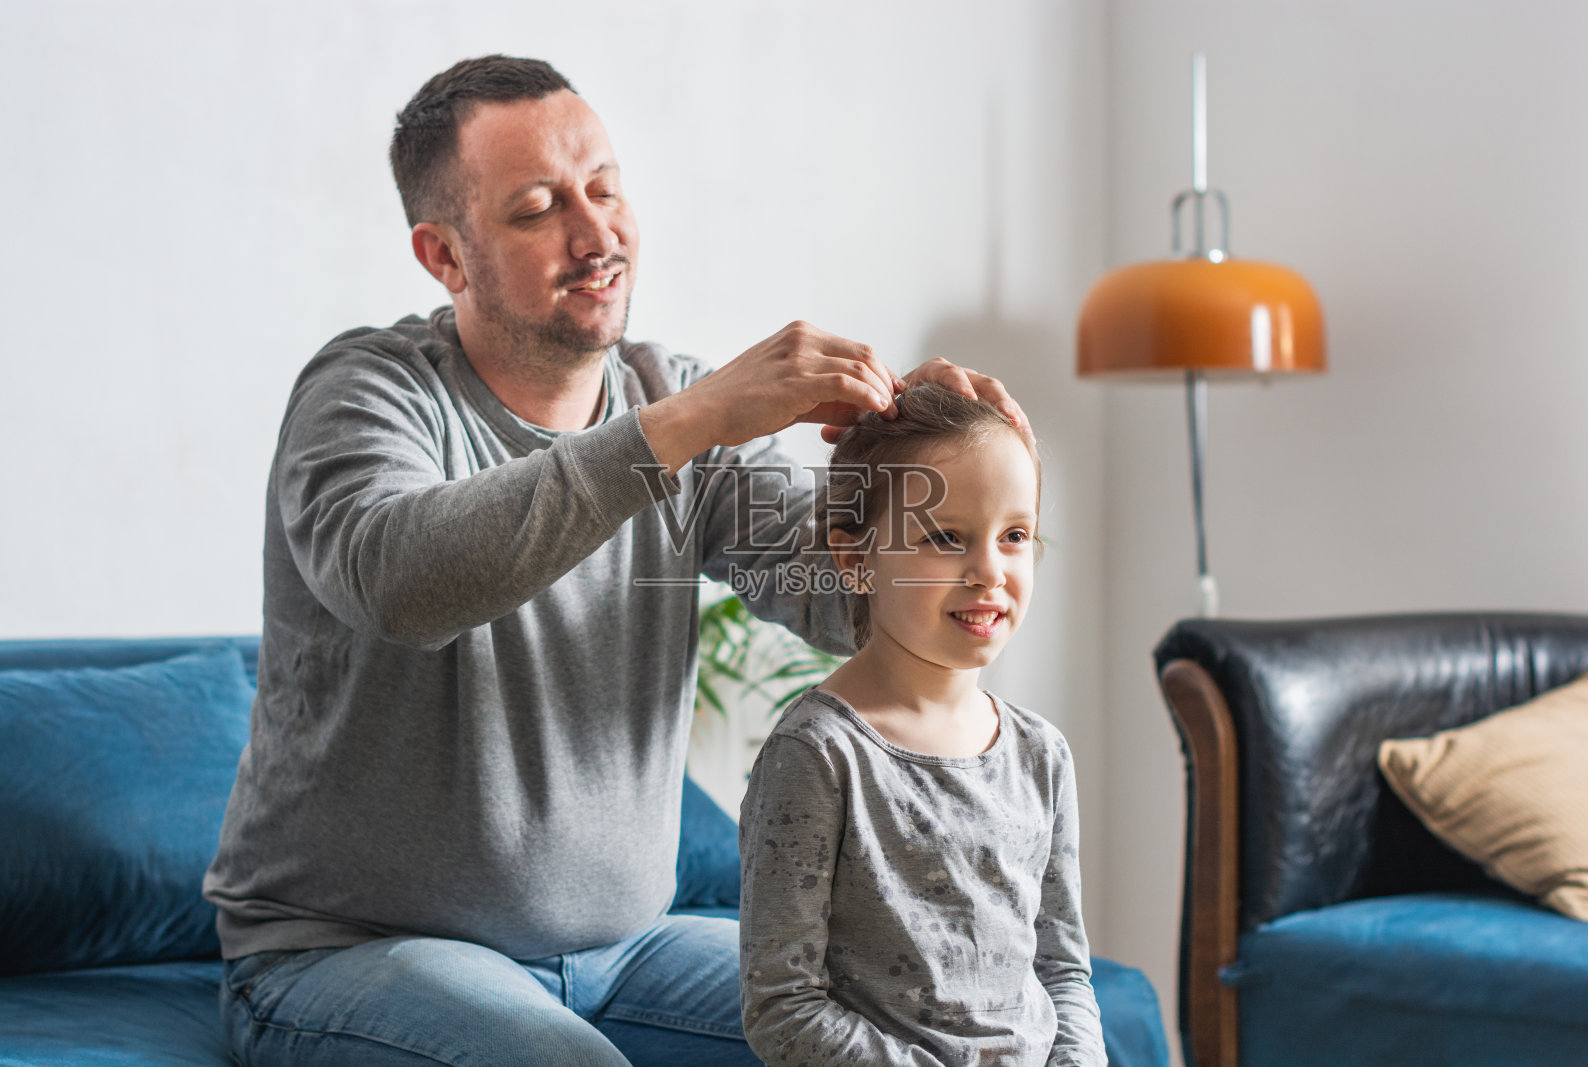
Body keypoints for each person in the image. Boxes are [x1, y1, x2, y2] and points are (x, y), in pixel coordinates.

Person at [201, 55, 1029, 1067]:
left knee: (930, 1021)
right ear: (445, 256)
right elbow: (403, 582)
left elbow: (848, 600)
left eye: (603, 188)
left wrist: (936, 463)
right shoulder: (369, 392)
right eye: (539, 208)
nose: (595, 235)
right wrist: (684, 424)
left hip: (623, 950)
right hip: (345, 955)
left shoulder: (672, 403)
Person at [739, 384, 1105, 1066]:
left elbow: (1063, 968)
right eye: (946, 537)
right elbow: (783, 1008)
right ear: (854, 561)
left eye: (1015, 535)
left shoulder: (1041, 754)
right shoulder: (817, 755)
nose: (989, 571)